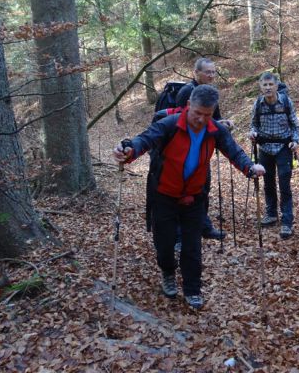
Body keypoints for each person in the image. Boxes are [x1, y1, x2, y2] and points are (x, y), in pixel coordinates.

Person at [113, 85, 265, 310]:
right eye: (197, 113)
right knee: (164, 245)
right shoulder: (169, 125)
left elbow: (234, 151)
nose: (202, 119)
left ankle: (192, 289)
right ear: (188, 107)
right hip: (164, 195)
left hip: (194, 198)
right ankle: (167, 272)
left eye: (208, 114)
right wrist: (128, 151)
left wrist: (250, 168)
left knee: (192, 246)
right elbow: (145, 140)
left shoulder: (215, 130)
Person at [176, 58, 234, 241]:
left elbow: (214, 120)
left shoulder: (211, 93)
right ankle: (179, 234)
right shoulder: (186, 91)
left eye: (213, 72)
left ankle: (202, 226)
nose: (211, 75)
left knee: (202, 189)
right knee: (182, 192)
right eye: (207, 72)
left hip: (203, 150)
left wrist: (223, 125)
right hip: (183, 152)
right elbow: (179, 120)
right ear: (196, 72)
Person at [248, 72, 299, 239]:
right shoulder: (258, 104)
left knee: (284, 185)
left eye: (271, 84)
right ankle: (271, 214)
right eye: (265, 85)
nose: (268, 87)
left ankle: (287, 221)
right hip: (264, 148)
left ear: (277, 86)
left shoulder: (286, 102)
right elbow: (253, 124)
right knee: (268, 182)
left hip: (283, 148)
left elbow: (296, 126)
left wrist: (295, 141)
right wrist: (253, 134)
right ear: (260, 87)